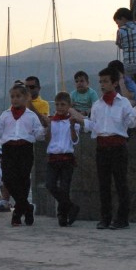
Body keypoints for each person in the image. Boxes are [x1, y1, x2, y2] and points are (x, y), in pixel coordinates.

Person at [69, 67, 136, 230]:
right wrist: (80, 121)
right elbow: (94, 126)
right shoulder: (97, 105)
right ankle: (105, 217)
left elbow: (131, 123)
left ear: (115, 83)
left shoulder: (123, 103)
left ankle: (122, 218)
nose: (102, 84)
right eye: (100, 81)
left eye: (106, 81)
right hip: (102, 146)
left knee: (121, 183)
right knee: (103, 184)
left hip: (118, 146)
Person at [0, 82, 45, 227]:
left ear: (26, 97)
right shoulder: (5, 115)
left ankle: (17, 212)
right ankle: (26, 207)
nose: (15, 99)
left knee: (23, 179)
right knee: (8, 179)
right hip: (9, 149)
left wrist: (45, 129)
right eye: (12, 97)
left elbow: (38, 134)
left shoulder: (31, 116)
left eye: (18, 96)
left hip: (25, 148)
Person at [44, 92, 81, 227]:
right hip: (53, 158)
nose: (60, 107)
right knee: (50, 184)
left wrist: (71, 126)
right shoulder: (52, 121)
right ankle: (71, 206)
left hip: (66, 158)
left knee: (65, 188)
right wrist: (48, 127)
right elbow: (47, 140)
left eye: (63, 105)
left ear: (69, 106)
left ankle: (62, 214)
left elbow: (75, 141)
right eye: (58, 104)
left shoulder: (72, 122)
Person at [25, 76, 51, 207]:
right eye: (26, 87)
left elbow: (42, 121)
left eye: (32, 87)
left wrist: (29, 104)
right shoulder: (20, 101)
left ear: (39, 89)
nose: (28, 90)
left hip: (38, 143)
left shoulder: (44, 104)